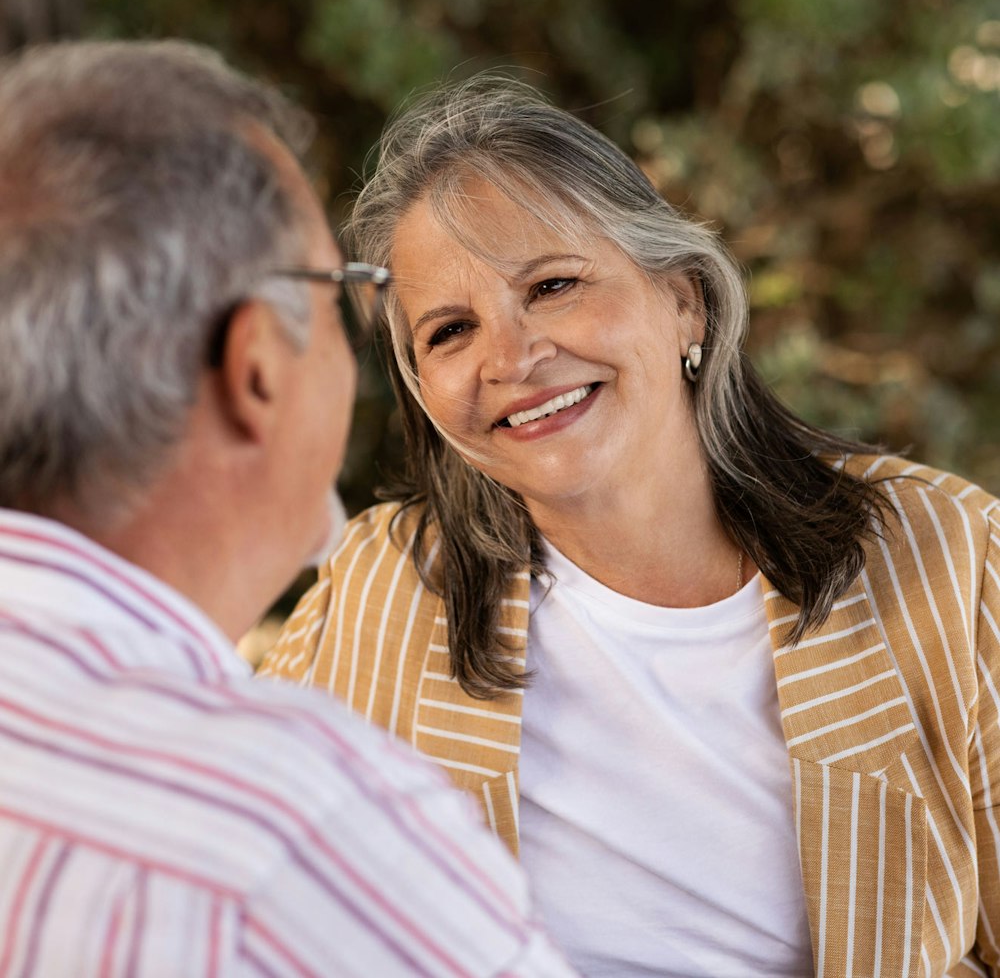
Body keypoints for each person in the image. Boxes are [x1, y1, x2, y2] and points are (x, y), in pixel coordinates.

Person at [259, 74, 1000, 978]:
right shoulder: (382, 585)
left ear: (684, 298)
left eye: (555, 285)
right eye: (449, 331)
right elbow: (235, 897)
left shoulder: (957, 558)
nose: (513, 358)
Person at [0, 44, 577, 977]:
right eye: (343, 292)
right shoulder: (295, 835)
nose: (507, 361)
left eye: (554, 286)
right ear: (258, 366)